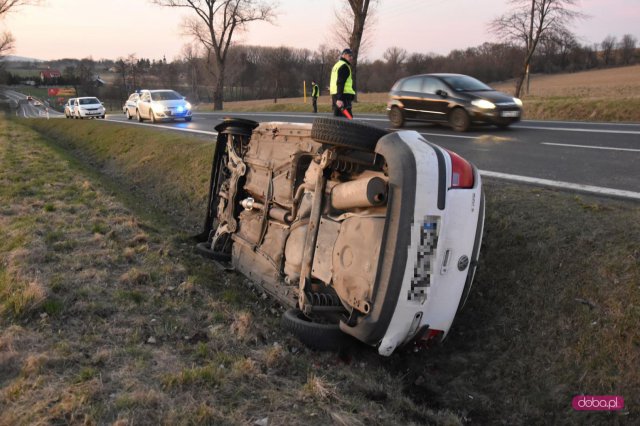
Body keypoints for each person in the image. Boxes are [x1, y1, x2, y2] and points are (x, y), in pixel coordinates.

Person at [330, 48, 356, 118]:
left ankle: (335, 129)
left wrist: (336, 97)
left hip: (336, 95)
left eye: (352, 56)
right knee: (348, 118)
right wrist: (340, 98)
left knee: (338, 118)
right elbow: (340, 82)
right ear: (344, 55)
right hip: (343, 97)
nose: (351, 58)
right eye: (349, 56)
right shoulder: (344, 66)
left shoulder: (336, 65)